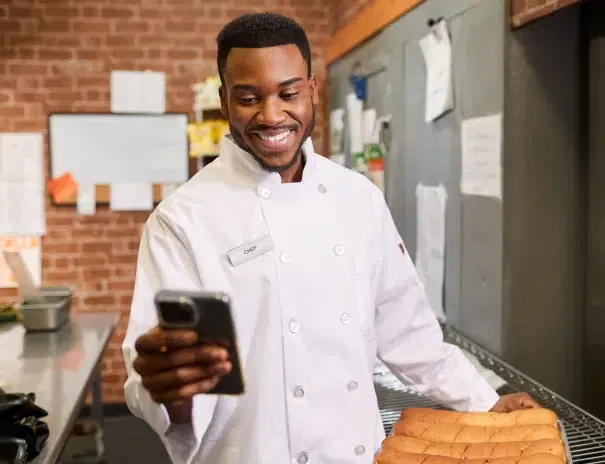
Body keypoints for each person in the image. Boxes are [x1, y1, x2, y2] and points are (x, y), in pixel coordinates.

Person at [122, 12, 539, 464]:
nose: (272, 115)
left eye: (288, 93)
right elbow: (170, 385)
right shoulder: (182, 221)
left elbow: (407, 332)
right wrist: (171, 393)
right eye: (248, 98)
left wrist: (483, 400)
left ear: (312, 90)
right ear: (224, 102)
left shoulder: (357, 197)